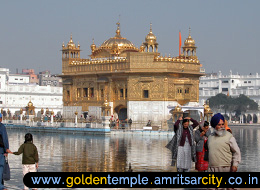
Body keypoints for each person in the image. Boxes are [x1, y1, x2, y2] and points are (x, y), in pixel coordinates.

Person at [0, 113, 11, 190]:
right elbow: (4, 138)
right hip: (0, 150)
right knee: (0, 168)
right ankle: (0, 186)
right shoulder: (1, 126)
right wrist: (6, 149)